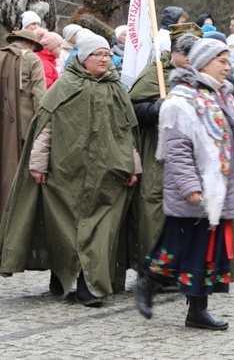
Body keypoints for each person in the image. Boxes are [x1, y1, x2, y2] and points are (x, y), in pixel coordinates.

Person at [0, 33, 140, 306]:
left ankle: (89, 287)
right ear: (83, 58)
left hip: (106, 175)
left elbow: (126, 133)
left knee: (98, 231)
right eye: (97, 55)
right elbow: (45, 128)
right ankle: (62, 274)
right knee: (65, 228)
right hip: (66, 174)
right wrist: (38, 164)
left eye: (106, 54)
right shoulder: (65, 87)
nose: (104, 59)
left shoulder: (116, 90)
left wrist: (132, 166)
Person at [133, 38, 234, 330]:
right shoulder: (183, 100)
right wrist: (190, 186)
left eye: (227, 61)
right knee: (177, 245)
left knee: (207, 253)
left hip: (217, 191)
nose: (227, 66)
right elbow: (178, 149)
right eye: (221, 61)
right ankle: (147, 282)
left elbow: (232, 140)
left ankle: (197, 312)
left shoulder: (224, 95)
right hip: (194, 191)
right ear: (203, 62)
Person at [126, 25, 203, 278]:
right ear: (175, 52)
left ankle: (186, 267)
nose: (191, 57)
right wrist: (158, 107)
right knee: (154, 205)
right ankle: (154, 270)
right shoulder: (155, 73)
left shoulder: (202, 73)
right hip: (158, 150)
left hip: (194, 152)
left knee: (191, 208)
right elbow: (132, 107)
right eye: (186, 52)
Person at [0, 29, 47, 220]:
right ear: (31, 44)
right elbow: (40, 96)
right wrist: (43, 125)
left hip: (4, 125)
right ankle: (12, 219)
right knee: (17, 176)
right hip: (23, 128)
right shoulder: (32, 60)